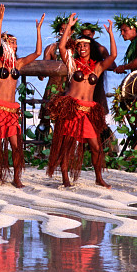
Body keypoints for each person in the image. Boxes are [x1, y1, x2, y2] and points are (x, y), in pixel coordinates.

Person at [0, 4, 44, 187]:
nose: (15, 45)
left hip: (11, 110)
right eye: (12, 42)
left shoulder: (17, 64)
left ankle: (17, 178)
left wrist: (38, 30)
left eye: (15, 43)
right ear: (5, 44)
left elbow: (37, 53)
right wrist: (0, 20)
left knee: (16, 146)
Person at [47, 13, 117, 188]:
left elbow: (113, 56)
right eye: (79, 45)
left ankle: (99, 178)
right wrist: (69, 28)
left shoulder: (97, 67)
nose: (82, 48)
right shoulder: (72, 64)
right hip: (72, 108)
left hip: (88, 111)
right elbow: (62, 47)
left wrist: (110, 34)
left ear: (91, 47)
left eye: (85, 45)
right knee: (68, 145)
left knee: (95, 146)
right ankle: (65, 177)